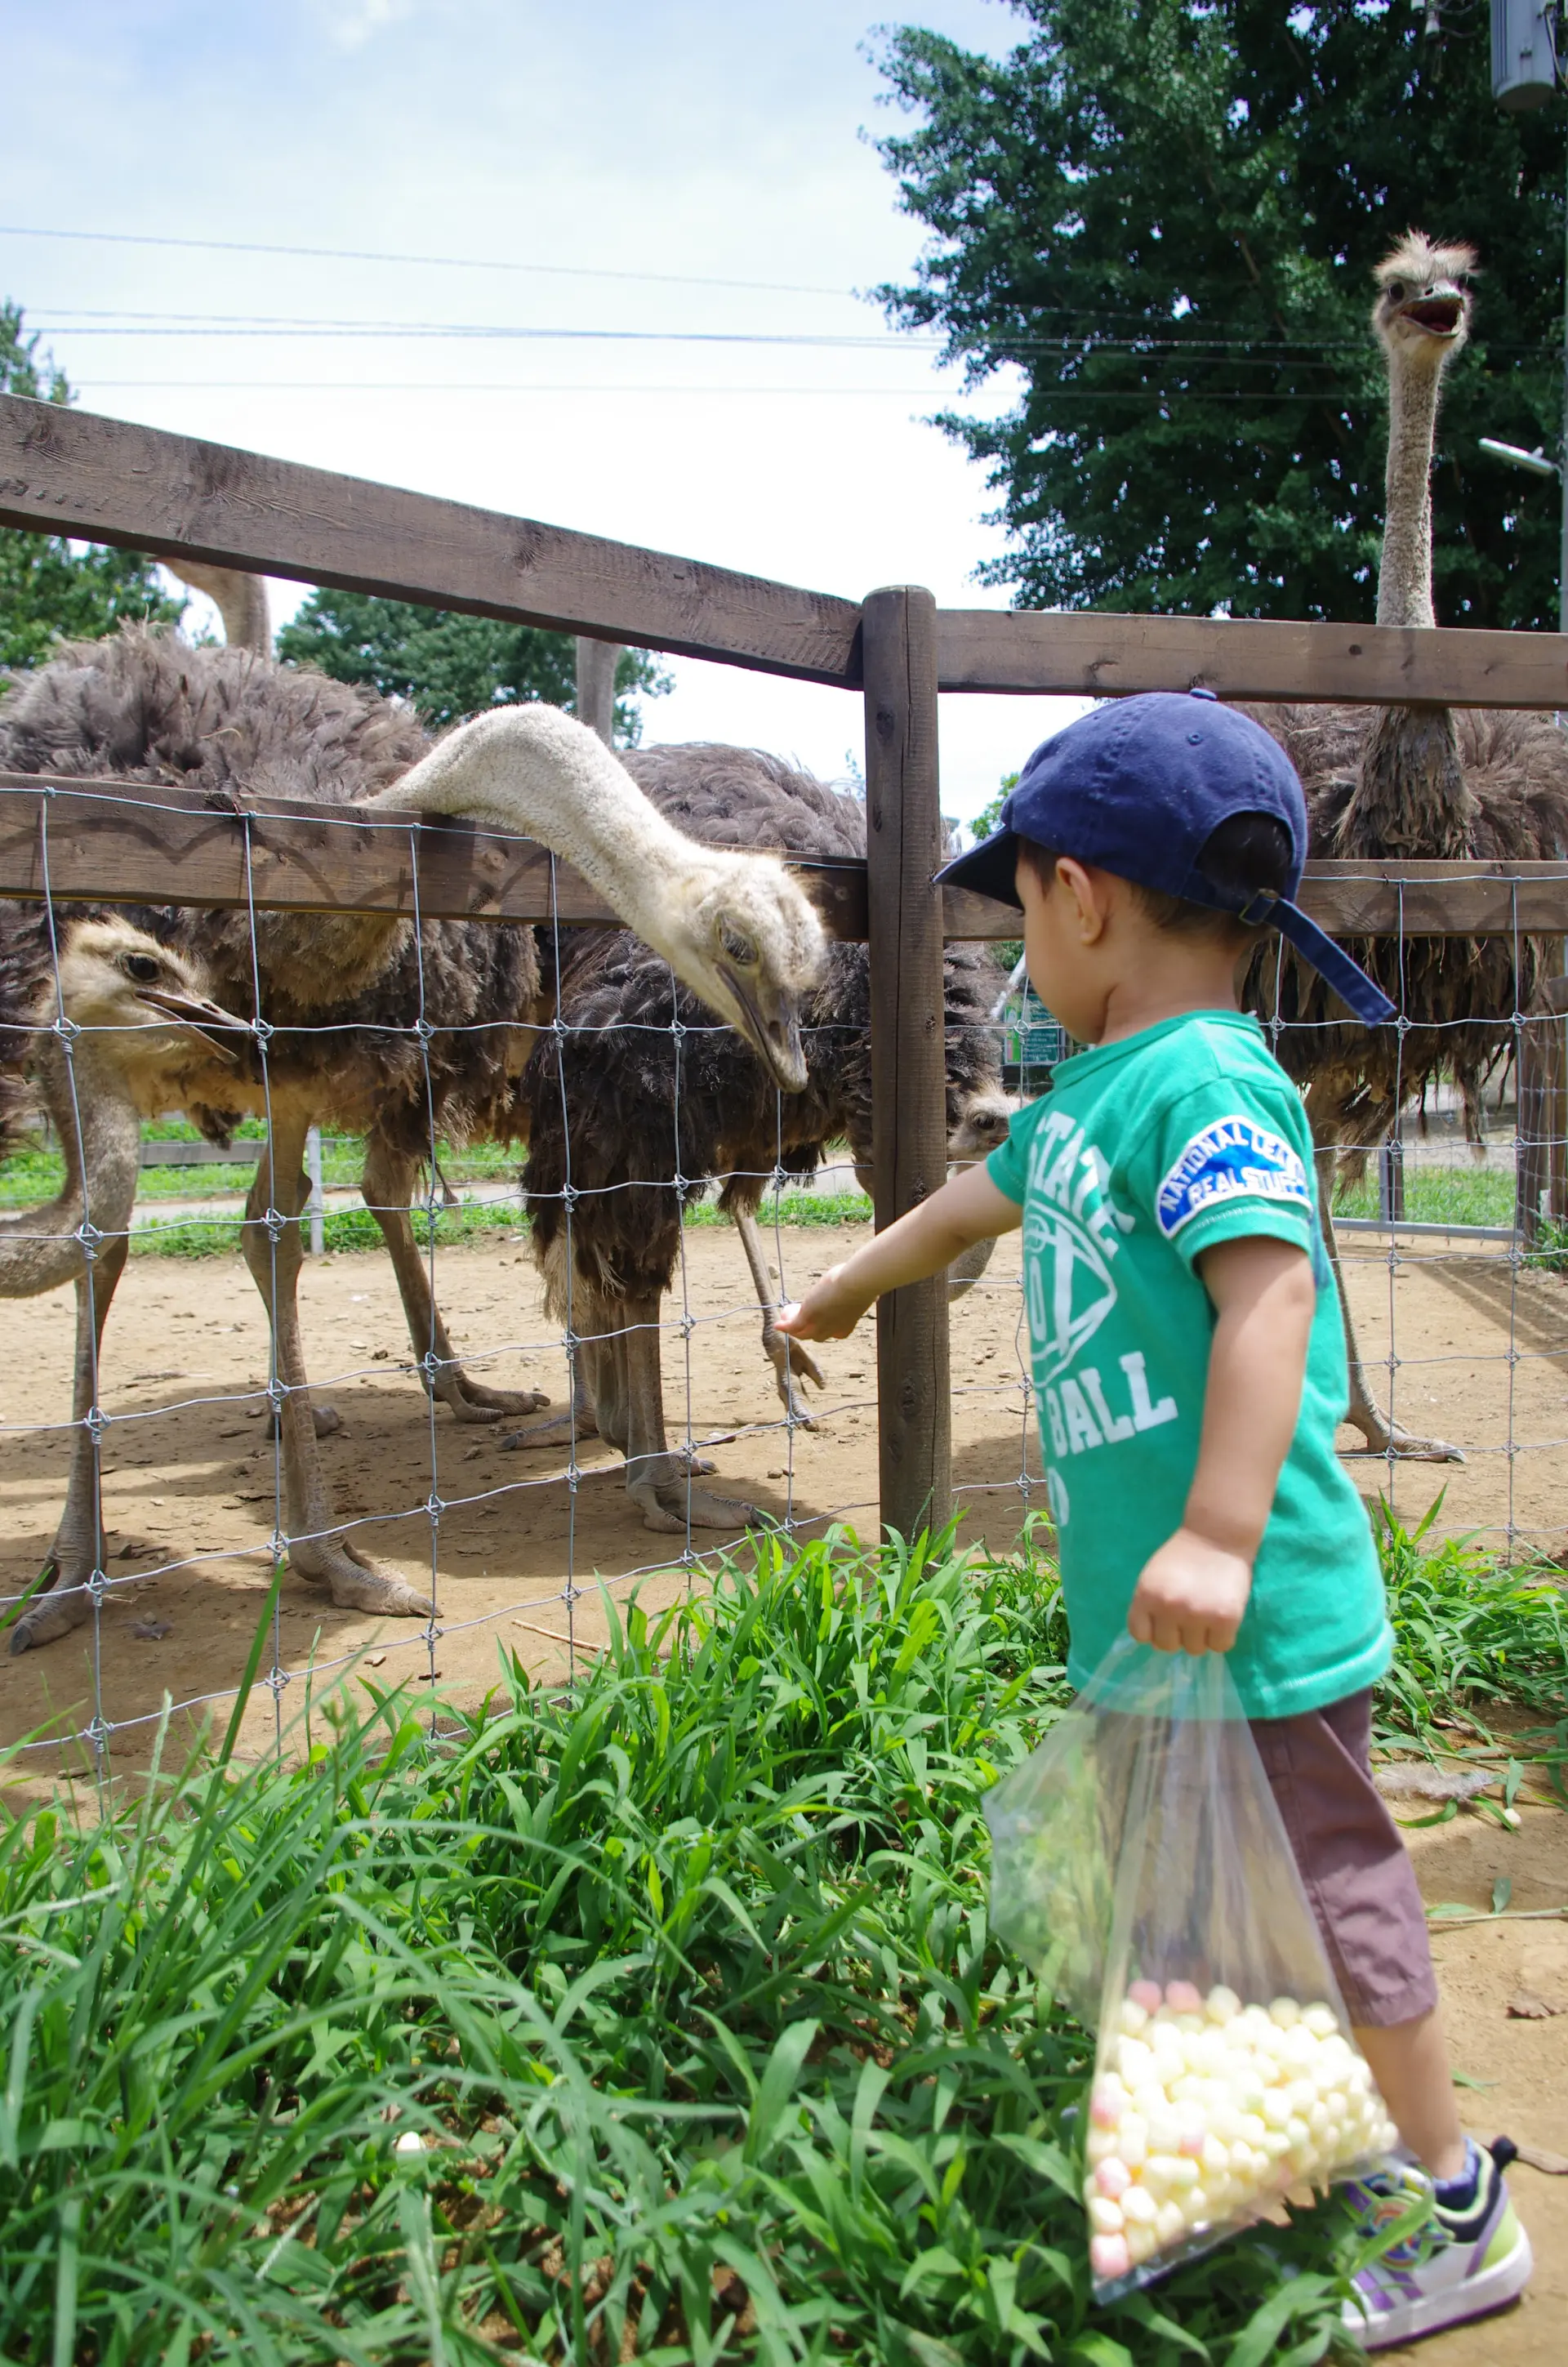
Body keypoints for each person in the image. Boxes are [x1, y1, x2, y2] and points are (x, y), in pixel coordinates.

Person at [776, 692, 1531, 2349]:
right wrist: (845, 1282)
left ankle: (1455, 2195)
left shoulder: (1207, 1089)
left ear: (1084, 899)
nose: (1021, 939)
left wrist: (1216, 1531)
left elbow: (1268, 1302)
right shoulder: (1104, 1097)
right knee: (1196, 1898)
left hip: (1245, 1611)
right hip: (1151, 1623)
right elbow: (981, 1196)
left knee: (1334, 1893)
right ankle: (1272, 2150)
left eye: (1021, 904)